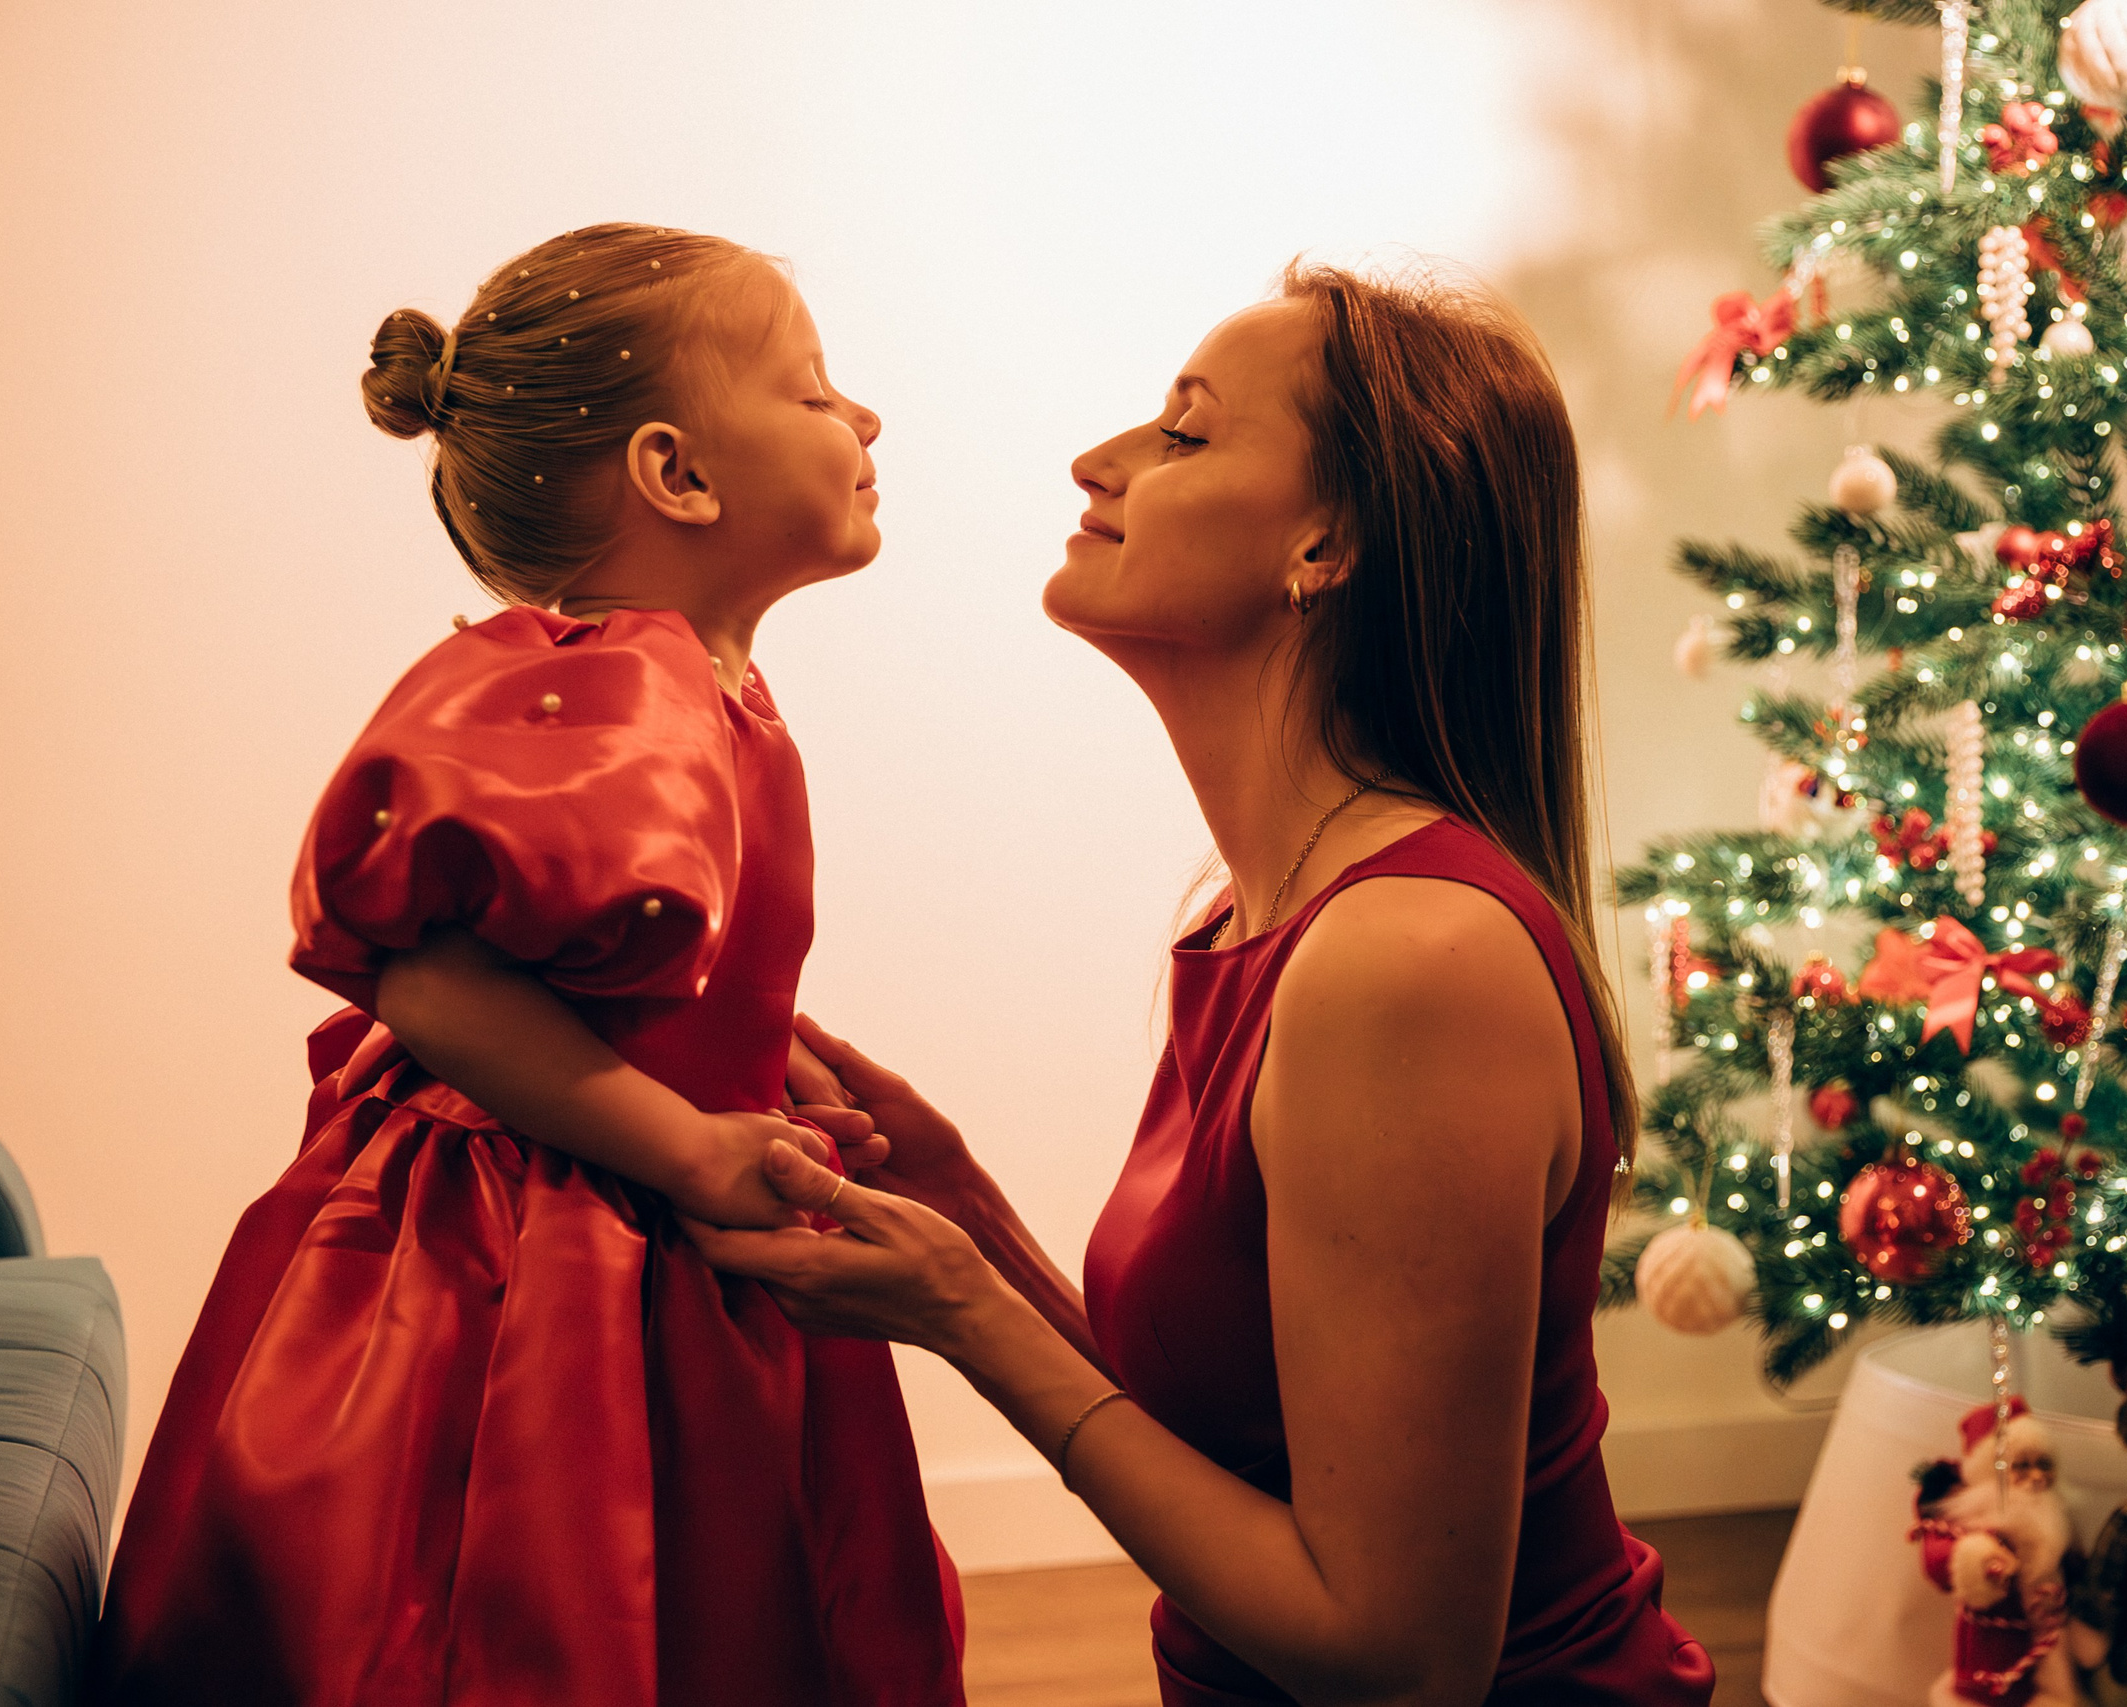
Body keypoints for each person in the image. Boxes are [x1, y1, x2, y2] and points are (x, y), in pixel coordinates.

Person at [692, 262, 1717, 1706]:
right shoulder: (1259, 913)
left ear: (1327, 546)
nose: (1095, 460)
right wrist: (965, 1211)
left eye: (1183, 433)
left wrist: (967, 1316)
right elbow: (1250, 1446)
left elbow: (1396, 1659)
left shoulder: (1407, 956)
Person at [91, 223, 963, 1707]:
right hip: (540, 1249)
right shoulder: (621, 680)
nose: (864, 417)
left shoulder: (690, 683)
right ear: (676, 474)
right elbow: (431, 981)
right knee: (538, 1594)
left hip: (641, 1201)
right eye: (816, 390)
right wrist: (686, 1142)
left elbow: (610, 965)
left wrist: (762, 1062)